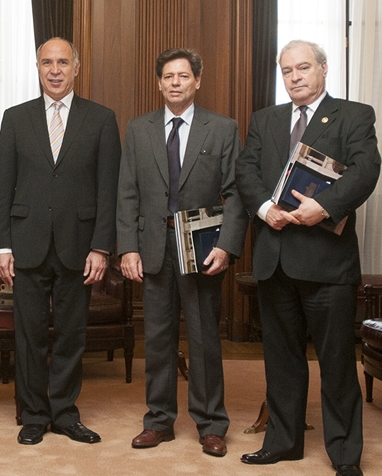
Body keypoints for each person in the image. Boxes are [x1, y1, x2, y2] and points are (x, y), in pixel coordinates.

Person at [236, 40, 380, 476]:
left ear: (323, 68)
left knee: (336, 363)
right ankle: (283, 442)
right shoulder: (266, 120)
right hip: (275, 258)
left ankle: (344, 454)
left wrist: (326, 207)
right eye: (286, 71)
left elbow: (365, 170)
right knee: (281, 361)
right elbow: (246, 171)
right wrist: (265, 209)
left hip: (327, 264)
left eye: (302, 68)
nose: (294, 77)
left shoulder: (354, 115)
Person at [117, 48, 248, 457]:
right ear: (159, 83)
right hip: (153, 250)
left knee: (205, 339)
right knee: (156, 339)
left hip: (203, 250)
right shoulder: (138, 130)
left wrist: (227, 246)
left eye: (183, 75)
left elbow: (236, 193)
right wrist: (128, 249)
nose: (175, 82)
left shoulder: (222, 129)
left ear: (197, 81)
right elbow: (127, 194)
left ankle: (211, 424)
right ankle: (158, 421)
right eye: (168, 76)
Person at [0, 37, 121, 446]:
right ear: (37, 66)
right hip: (26, 246)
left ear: (76, 68)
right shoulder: (16, 118)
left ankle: (64, 413)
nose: (55, 69)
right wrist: (2, 246)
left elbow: (109, 189)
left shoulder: (101, 119)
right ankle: (33, 415)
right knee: (27, 336)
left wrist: (101, 246)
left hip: (79, 247)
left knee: (71, 335)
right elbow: (2, 188)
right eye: (47, 62)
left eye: (63, 62)